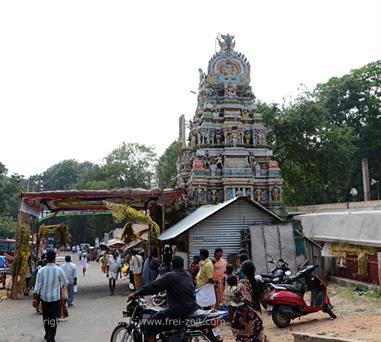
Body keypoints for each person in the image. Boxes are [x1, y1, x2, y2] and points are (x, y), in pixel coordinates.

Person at [129, 256, 198, 342]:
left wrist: (137, 293)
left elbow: (153, 286)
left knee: (148, 326)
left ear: (172, 265)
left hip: (177, 312)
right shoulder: (187, 275)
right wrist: (165, 296)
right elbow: (181, 290)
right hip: (191, 309)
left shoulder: (171, 276)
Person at [33, 250, 68, 342]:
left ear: (46, 258)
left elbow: (37, 286)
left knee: (45, 317)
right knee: (53, 318)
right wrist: (60, 287)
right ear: (54, 258)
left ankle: (47, 334)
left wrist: (35, 296)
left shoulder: (41, 270)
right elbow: (66, 282)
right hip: (55, 298)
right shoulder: (59, 269)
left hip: (44, 298)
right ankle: (51, 337)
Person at [230, 260, 266, 342]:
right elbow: (262, 299)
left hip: (245, 317)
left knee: (243, 336)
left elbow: (241, 302)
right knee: (257, 337)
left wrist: (243, 318)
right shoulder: (257, 282)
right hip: (256, 316)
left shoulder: (241, 284)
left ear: (243, 271)